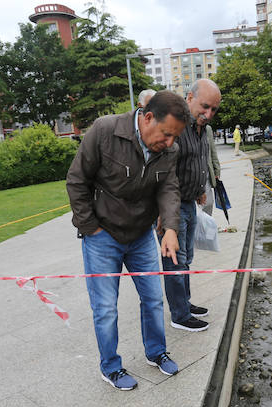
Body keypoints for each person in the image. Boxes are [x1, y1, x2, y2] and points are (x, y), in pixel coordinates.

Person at [66, 90, 188, 391]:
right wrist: (90, 226)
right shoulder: (105, 131)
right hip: (102, 236)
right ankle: (111, 367)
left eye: (175, 137)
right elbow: (77, 179)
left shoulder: (169, 150)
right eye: (165, 134)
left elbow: (169, 189)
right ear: (147, 118)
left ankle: (156, 351)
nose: (170, 143)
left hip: (142, 235)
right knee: (106, 307)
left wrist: (170, 227)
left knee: (153, 298)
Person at [160, 79, 221, 333]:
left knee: (185, 259)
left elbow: (196, 162)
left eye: (214, 110)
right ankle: (179, 315)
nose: (208, 114)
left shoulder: (200, 129)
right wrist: (163, 213)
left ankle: (184, 303)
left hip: (189, 202)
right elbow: (164, 171)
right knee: (174, 262)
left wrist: (199, 190)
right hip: (171, 208)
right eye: (205, 107)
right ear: (189, 98)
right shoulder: (177, 127)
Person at [204, 123, 220, 216]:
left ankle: (206, 228)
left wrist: (216, 169)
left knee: (208, 203)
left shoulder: (207, 129)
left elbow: (212, 150)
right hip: (190, 175)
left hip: (206, 171)